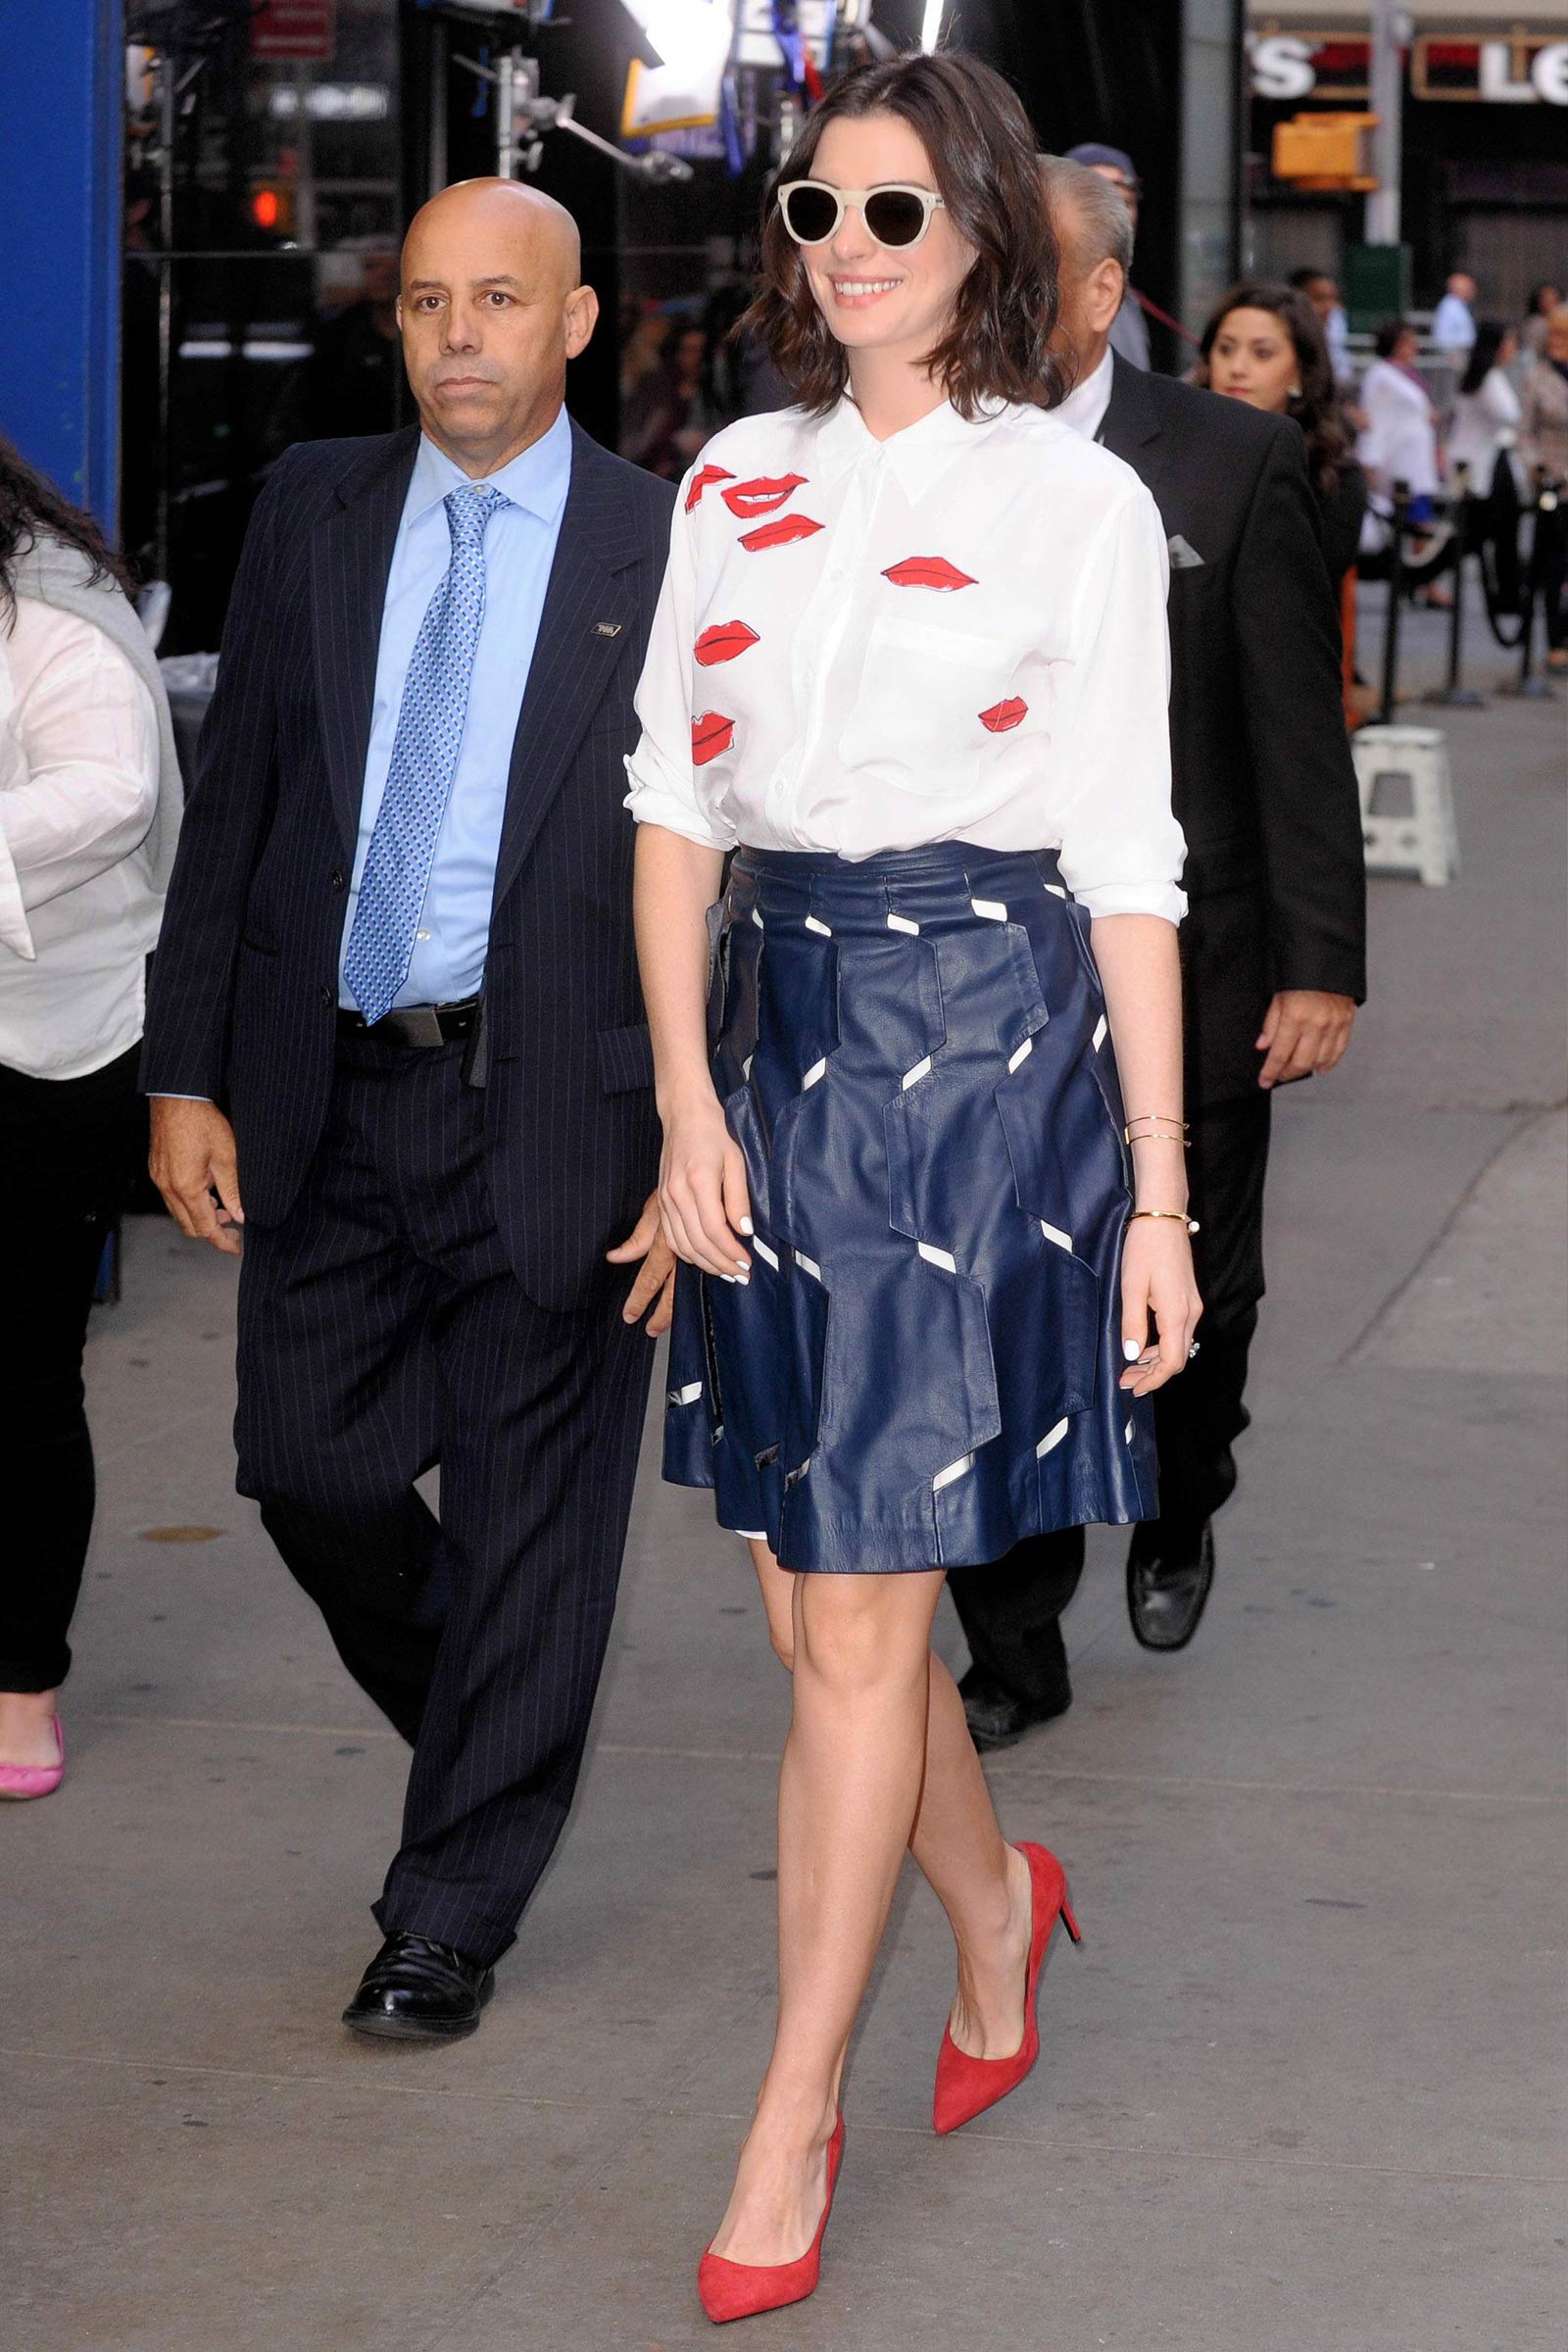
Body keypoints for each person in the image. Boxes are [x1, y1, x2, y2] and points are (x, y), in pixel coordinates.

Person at [627, 54, 1199, 2321]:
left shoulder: (1071, 510)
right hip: (764, 1044)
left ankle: (792, 2102)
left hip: (977, 1056)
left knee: (859, 1616)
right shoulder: (733, 479)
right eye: (813, 212)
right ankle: (991, 1900)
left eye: (890, 215)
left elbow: (1129, 863)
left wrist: (1155, 1195)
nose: (844, 253)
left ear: (977, 238)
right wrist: (681, 1101)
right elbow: (671, 800)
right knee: (807, 1602)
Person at [141, 180, 677, 2039]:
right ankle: (499, 1715)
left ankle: (448, 1906)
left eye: (502, 303)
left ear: (578, 325)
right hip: (328, 1088)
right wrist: (186, 1066)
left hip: (564, 1110)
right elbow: (244, 809)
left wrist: (702, 1135)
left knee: (540, 1517)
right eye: (431, 300)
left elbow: (730, 871)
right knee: (311, 1468)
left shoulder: (670, 546)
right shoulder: (312, 509)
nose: (460, 335)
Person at [950, 158, 1365, 1751]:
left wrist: (1319, 964)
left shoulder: (1231, 463)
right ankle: (1016, 1638)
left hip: (1195, 972)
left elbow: (1291, 738)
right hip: (987, 984)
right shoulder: (929, 463)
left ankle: (1184, 1496)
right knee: (997, 1305)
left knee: (1204, 1298)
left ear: (1103, 292)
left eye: (1018, 272)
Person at [0, 434, 180, 1798]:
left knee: (19, 1376)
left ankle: (20, 1679)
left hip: (43, 1042)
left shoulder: (51, 605)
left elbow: (111, 792)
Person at [1198, 281, 1368, 583]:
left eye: (1262, 353)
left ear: (1300, 372)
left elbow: (1306, 588)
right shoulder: (1174, 450)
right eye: (1225, 349)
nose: (1238, 367)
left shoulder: (1333, 477)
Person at [302, 242, 404, 440]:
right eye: (372, 267)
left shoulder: (425, 333)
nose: (382, 276)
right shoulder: (341, 333)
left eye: (392, 270)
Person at [1065, 140, 1150, 368]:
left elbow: (1132, 395)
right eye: (1100, 202)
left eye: (1124, 202)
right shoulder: (1044, 295)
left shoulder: (1127, 299)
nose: (1116, 216)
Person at [1520, 302, 1568, 669]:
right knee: (1554, 565)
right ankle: (1554, 641)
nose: (1558, 341)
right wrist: (1536, 468)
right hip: (1554, 483)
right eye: (1554, 333)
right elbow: (1526, 433)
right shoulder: (1536, 377)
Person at [1357, 318, 1441, 521]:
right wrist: (1370, 461)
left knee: (1420, 524)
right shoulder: (1380, 375)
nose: (1414, 346)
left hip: (1417, 464)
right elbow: (1373, 421)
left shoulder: (1407, 374)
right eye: (1407, 341)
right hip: (1398, 466)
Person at [1446, 320, 1524, 501]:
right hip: (1479, 464)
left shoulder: (1483, 376)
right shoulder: (1489, 379)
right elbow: (1510, 414)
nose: (1514, 347)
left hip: (1471, 458)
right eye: (1509, 342)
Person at [1288, 265, 1353, 390]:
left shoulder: (1327, 339)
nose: (1329, 307)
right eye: (1319, 298)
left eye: (1333, 298)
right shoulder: (1289, 343)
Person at [1431, 270, 1477, 364]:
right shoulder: (1450, 305)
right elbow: (1442, 333)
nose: (1473, 291)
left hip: (1464, 350)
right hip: (1453, 353)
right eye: (1469, 288)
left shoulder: (1460, 305)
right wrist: (1449, 353)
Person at [1520, 280, 1565, 362]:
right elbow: (1529, 354)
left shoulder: (1562, 322)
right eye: (1545, 298)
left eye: (1553, 299)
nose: (1549, 302)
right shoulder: (1537, 324)